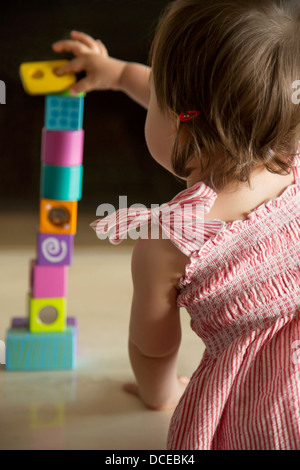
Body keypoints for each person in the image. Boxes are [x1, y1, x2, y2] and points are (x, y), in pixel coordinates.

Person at [52, 0, 300, 450]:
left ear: (183, 128)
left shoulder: (169, 243)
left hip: (270, 416)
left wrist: (160, 395)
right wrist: (117, 73)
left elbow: (153, 349)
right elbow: (200, 109)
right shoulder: (288, 139)